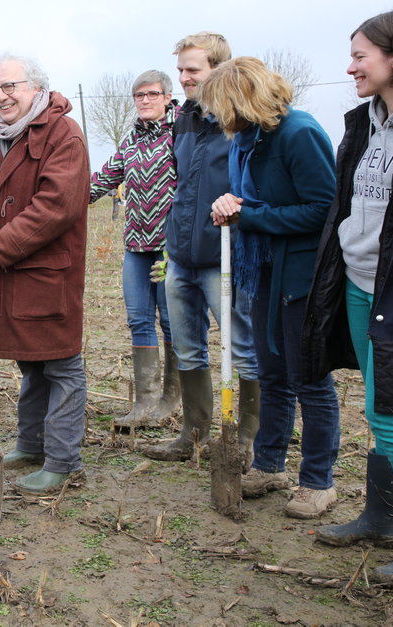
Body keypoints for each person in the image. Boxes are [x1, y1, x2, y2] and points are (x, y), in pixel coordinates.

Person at [203, 57, 340, 519]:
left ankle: (318, 482)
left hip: (300, 276)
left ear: (245, 100)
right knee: (272, 372)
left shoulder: (298, 133)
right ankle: (269, 464)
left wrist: (250, 215)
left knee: (310, 380)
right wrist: (229, 204)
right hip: (260, 266)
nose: (219, 118)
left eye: (223, 107)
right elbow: (247, 198)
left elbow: (323, 209)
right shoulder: (247, 140)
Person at [0, 54, 90, 495]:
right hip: (14, 275)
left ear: (36, 87)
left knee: (62, 364)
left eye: (9, 86)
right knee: (31, 364)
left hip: (49, 272)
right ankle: (31, 444)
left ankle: (63, 460)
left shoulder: (63, 134)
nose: (0, 96)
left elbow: (56, 208)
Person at [303, 8, 393, 580]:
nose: (350, 66)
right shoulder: (363, 124)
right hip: (360, 283)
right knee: (377, 406)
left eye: (361, 56)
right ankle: (383, 517)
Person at [140, 33, 261, 464]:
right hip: (182, 256)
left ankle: (245, 439)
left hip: (225, 256)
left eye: (193, 69)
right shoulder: (185, 118)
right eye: (181, 70)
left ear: (218, 69)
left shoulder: (241, 120)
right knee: (188, 346)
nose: (184, 78)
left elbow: (252, 187)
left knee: (243, 347)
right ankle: (192, 434)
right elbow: (183, 186)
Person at [89, 70, 180, 430]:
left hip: (171, 248)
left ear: (167, 98)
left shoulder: (181, 134)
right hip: (136, 245)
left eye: (152, 94)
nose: (144, 100)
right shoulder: (131, 140)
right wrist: (60, 199)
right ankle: (145, 401)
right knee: (139, 319)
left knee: (172, 321)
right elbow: (103, 180)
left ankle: (171, 399)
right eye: (139, 95)